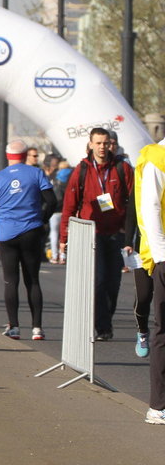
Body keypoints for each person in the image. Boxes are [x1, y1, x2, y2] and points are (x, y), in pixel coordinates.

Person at [59, 127, 135, 341]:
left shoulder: (122, 168)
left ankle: (105, 320)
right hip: (91, 235)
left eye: (105, 143)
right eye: (98, 143)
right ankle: (103, 327)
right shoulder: (82, 169)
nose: (102, 147)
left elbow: (133, 204)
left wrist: (130, 238)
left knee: (113, 283)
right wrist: (64, 238)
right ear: (91, 144)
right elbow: (69, 205)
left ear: (111, 144)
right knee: (99, 280)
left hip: (116, 234)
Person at [0, 140, 56, 342]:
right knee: (33, 280)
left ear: (7, 156)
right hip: (31, 230)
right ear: (25, 155)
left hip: (7, 233)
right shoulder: (37, 173)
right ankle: (37, 328)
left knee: (10, 281)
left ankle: (14, 326)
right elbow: (52, 201)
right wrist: (41, 220)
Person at [134, 138, 165, 424]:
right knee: (162, 328)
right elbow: (151, 209)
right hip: (161, 256)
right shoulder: (156, 157)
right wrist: (162, 256)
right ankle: (158, 406)